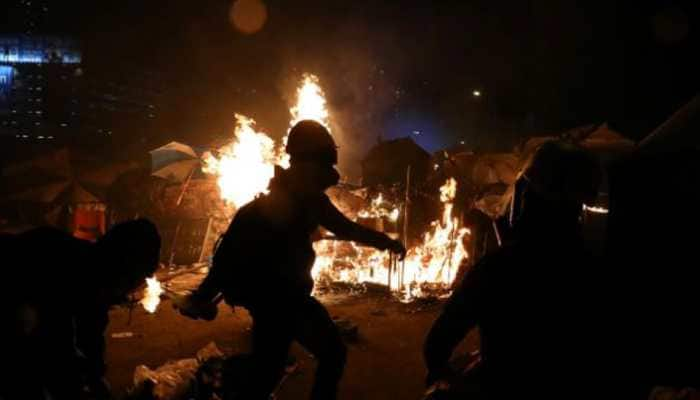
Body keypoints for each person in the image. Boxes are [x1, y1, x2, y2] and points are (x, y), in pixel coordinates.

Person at [177, 120, 406, 400]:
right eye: (321, 163)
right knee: (298, 364)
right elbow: (227, 258)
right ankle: (222, 378)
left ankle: (227, 378)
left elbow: (346, 229)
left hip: (286, 301)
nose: (327, 173)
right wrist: (202, 295)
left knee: (285, 366)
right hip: (278, 303)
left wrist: (387, 243)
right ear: (304, 163)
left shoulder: (298, 202)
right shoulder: (270, 208)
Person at [423, 141, 602, 399]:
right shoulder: (595, 269)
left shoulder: (498, 268)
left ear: (526, 199)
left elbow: (436, 346)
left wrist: (445, 378)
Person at [0, 218, 161, 400]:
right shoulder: (58, 263)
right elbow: (56, 343)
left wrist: (95, 376)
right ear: (118, 266)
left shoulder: (97, 280)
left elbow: (91, 334)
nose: (127, 291)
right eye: (130, 281)